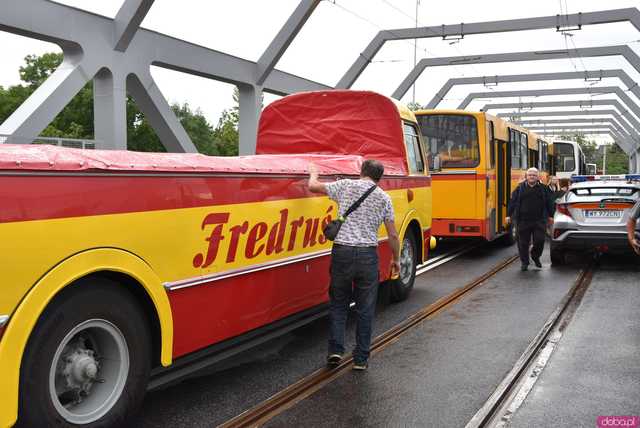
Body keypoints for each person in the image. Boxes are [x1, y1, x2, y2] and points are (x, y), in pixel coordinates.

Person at [308, 159, 400, 371]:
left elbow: (313, 186)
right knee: (365, 309)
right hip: (368, 255)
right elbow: (393, 234)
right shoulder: (384, 198)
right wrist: (395, 259)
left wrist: (313, 171)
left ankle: (335, 351)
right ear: (379, 177)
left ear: (362, 172)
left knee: (339, 303)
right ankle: (360, 359)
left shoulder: (346, 186)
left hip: (343, 252)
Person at [505, 167, 555, 271]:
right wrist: (508, 215)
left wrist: (551, 215)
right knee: (523, 243)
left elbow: (549, 202)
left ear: (538, 177)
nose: (532, 177)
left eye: (534, 175)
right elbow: (512, 202)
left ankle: (535, 256)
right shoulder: (520, 188)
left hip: (539, 220)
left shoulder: (544, 188)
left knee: (540, 240)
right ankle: (525, 262)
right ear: (526, 177)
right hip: (523, 220)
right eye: (530, 175)